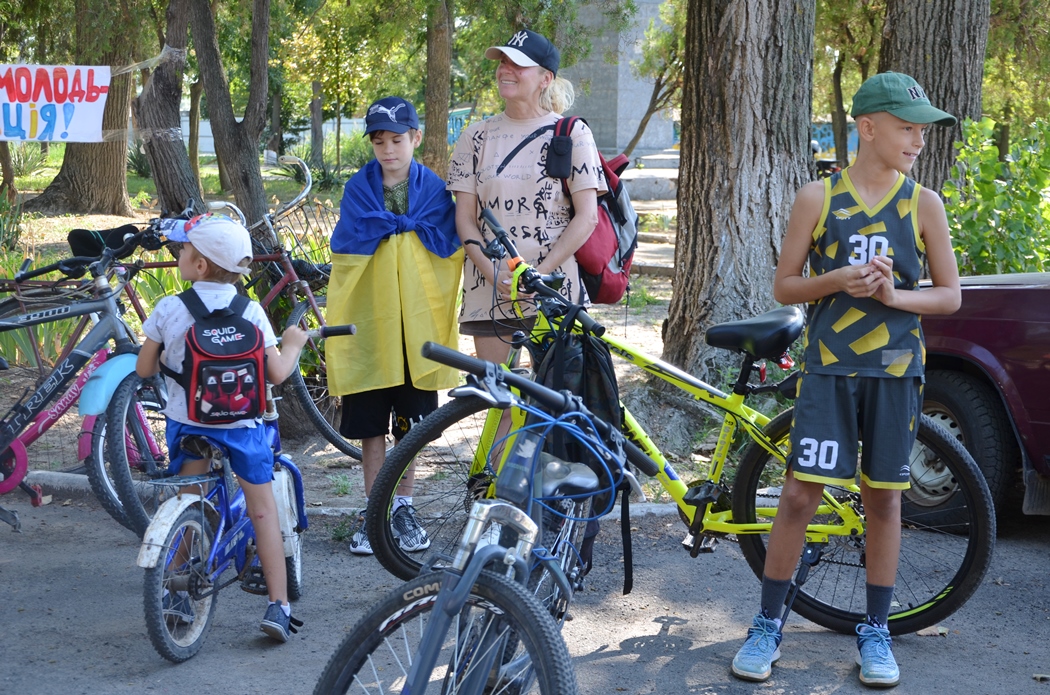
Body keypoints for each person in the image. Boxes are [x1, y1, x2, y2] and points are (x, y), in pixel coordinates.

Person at [730, 72, 961, 687]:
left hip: (894, 374)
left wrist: (894, 294)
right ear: (868, 128)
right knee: (800, 495)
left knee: (884, 498)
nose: (917, 140)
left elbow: (949, 297)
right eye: (907, 128)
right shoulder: (819, 198)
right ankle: (768, 623)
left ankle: (876, 630)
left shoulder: (923, 203)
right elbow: (785, 287)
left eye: (921, 130)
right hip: (829, 371)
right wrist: (837, 280)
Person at [136, 214, 309, 642]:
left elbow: (144, 368)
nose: (179, 255)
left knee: (189, 501)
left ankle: (176, 589)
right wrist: (293, 344)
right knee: (263, 511)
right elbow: (276, 374)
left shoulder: (170, 309)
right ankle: (279, 606)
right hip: (242, 428)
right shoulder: (251, 311)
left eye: (183, 251)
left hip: (188, 425)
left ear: (198, 266)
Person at [325, 96, 463, 556]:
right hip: (372, 322)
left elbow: (447, 246)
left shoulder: (435, 192)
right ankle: (374, 507)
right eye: (379, 141)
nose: (388, 150)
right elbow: (348, 248)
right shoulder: (357, 191)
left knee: (411, 425)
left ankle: (402, 505)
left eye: (397, 140)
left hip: (417, 328)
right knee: (370, 425)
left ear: (416, 138)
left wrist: (403, 239)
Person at [446, 29, 607, 365]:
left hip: (554, 288)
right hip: (489, 288)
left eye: (519, 64)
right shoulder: (475, 137)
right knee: (498, 405)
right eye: (503, 61)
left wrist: (537, 278)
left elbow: (587, 216)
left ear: (545, 78)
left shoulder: (573, 133)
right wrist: (496, 275)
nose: (506, 69)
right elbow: (464, 218)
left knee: (555, 408)